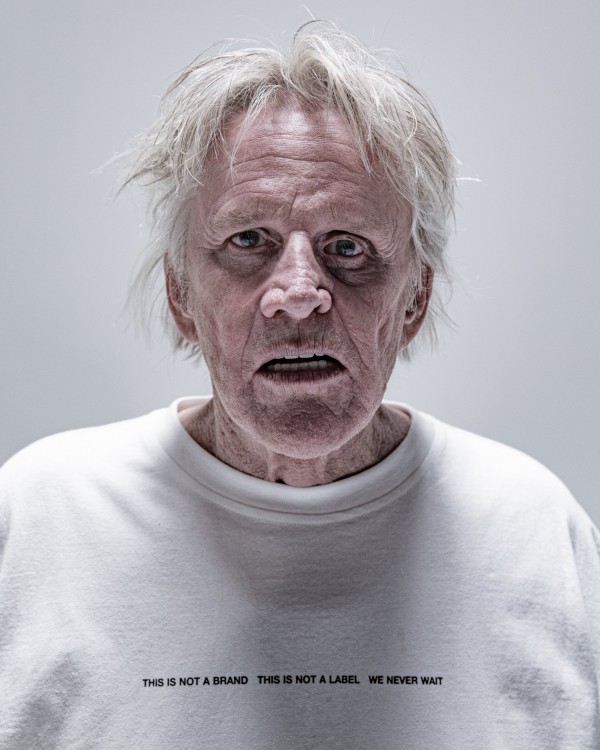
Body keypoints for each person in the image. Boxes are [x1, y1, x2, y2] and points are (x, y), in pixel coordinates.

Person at [1, 22, 598, 750]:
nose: (299, 295)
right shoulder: (42, 517)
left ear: (414, 299)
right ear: (181, 292)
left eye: (347, 247)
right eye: (248, 242)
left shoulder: (532, 530)